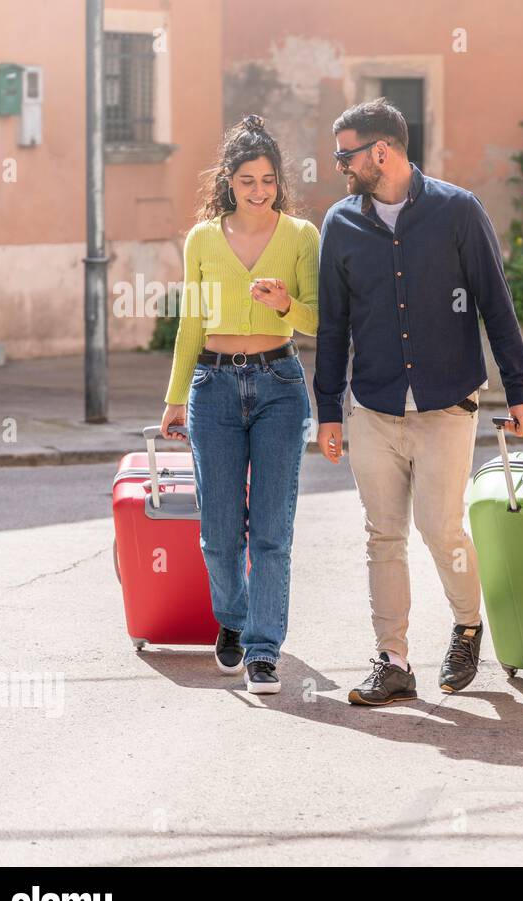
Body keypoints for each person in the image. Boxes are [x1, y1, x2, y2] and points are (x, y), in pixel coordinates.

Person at [313, 98, 523, 705]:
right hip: (373, 406)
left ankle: (466, 627)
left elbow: (495, 302)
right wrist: (327, 409)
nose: (339, 167)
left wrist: (519, 391)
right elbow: (333, 324)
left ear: (380, 151)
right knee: (383, 536)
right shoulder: (341, 223)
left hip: (445, 404)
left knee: (441, 529)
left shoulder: (457, 211)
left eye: (345, 156)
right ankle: (394, 660)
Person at [159, 114, 319, 695]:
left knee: (272, 531)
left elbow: (320, 319)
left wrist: (284, 305)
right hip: (215, 387)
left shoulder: (302, 236)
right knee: (219, 532)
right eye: (247, 180)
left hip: (279, 383)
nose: (259, 191)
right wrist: (176, 398)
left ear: (280, 181)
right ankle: (232, 616)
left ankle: (263, 650)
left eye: (268, 180)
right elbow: (190, 326)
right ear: (228, 181)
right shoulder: (202, 240)